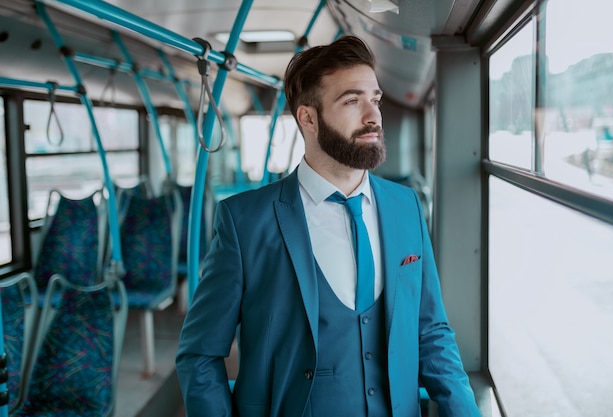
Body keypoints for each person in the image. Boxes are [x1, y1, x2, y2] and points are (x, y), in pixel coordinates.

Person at [176, 35, 481, 417]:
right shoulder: (245, 221)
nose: (373, 116)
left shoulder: (406, 206)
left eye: (375, 99)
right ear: (308, 117)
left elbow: (432, 330)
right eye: (352, 101)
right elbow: (200, 355)